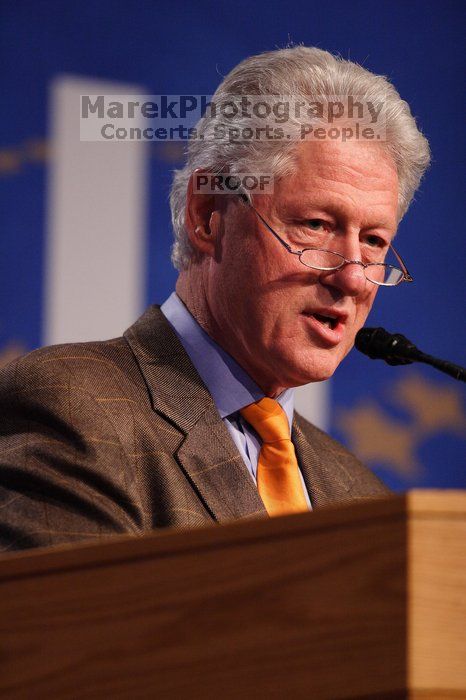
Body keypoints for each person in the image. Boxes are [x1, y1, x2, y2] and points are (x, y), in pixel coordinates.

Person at [0, 46, 430, 552]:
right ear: (208, 216)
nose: (354, 280)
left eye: (375, 242)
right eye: (316, 225)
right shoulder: (78, 410)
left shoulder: (360, 495)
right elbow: (70, 629)